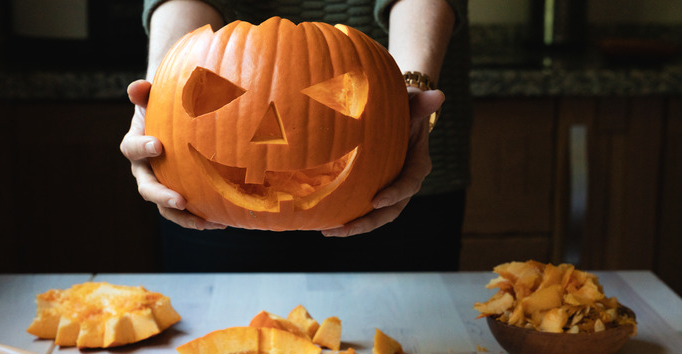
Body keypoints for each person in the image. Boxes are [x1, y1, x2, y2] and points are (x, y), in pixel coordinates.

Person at [120, 0, 472, 272]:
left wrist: (407, 98)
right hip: (210, 184)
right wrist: (162, 98)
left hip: (385, 145)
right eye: (221, 94)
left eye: (331, 96)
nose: (271, 138)